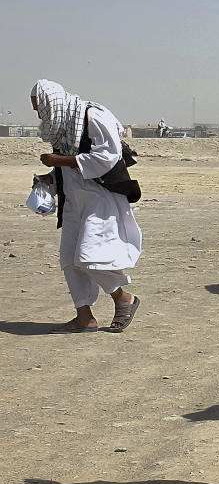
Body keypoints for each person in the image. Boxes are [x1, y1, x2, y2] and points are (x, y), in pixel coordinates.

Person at [30, 80, 142, 334]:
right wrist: (52, 177)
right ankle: (84, 317)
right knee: (70, 259)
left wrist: (60, 160)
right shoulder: (61, 126)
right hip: (73, 200)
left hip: (99, 199)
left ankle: (123, 298)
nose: (39, 114)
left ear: (53, 103)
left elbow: (107, 157)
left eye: (40, 108)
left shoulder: (92, 116)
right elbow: (70, 166)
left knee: (89, 257)